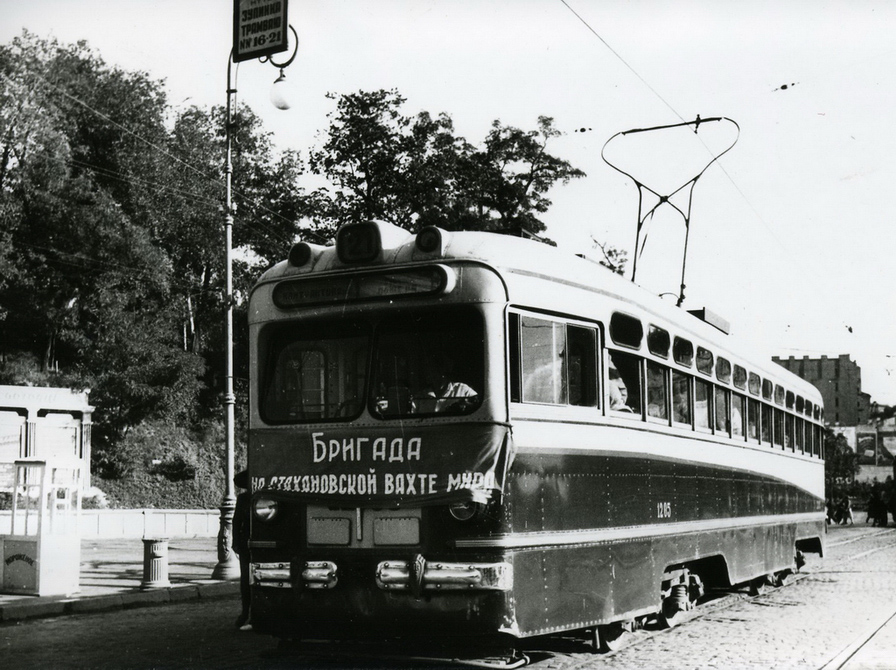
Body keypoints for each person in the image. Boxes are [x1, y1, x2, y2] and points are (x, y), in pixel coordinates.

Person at [233, 469, 252, 630]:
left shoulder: (244, 498)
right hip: (247, 542)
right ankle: (246, 612)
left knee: (247, 579)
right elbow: (236, 521)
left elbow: (236, 521)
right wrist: (236, 542)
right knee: (246, 580)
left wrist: (236, 542)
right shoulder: (244, 498)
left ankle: (247, 613)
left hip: (247, 542)